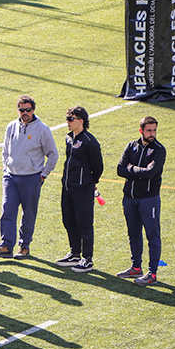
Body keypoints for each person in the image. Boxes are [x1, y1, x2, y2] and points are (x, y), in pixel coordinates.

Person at [0, 95, 58, 260]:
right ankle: (6, 246)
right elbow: (5, 150)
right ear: (17, 110)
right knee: (7, 210)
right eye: (22, 110)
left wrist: (43, 175)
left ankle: (24, 246)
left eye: (28, 110)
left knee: (28, 214)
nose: (25, 113)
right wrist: (7, 167)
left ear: (33, 110)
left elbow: (53, 155)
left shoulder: (42, 129)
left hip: (31, 178)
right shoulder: (11, 126)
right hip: (11, 177)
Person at [115, 116, 165, 286]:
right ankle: (136, 267)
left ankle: (152, 273)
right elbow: (120, 169)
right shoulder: (131, 146)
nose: (152, 134)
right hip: (130, 199)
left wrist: (131, 168)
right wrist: (137, 170)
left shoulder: (159, 150)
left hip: (149, 199)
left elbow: (150, 173)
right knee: (133, 234)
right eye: (149, 130)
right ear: (141, 130)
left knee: (153, 235)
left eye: (154, 130)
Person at [57, 106, 104, 273]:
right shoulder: (69, 138)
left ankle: (87, 258)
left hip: (82, 189)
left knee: (84, 223)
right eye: (67, 119)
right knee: (68, 220)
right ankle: (75, 253)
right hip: (68, 187)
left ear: (81, 121)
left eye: (71, 119)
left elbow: (98, 166)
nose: (68, 122)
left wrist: (89, 182)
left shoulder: (90, 142)